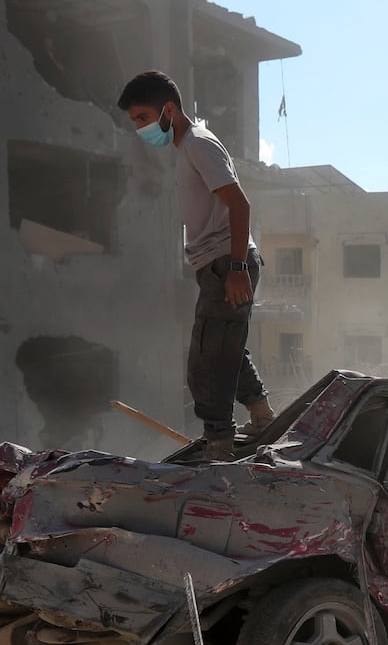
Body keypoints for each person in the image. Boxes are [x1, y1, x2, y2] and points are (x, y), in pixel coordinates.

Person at [117, 70, 273, 462]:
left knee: (206, 362)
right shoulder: (189, 147)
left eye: (142, 117)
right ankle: (262, 415)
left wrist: (236, 267)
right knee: (226, 349)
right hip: (219, 262)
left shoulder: (198, 145)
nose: (139, 128)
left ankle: (219, 446)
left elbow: (240, 204)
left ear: (168, 109)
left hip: (227, 261)